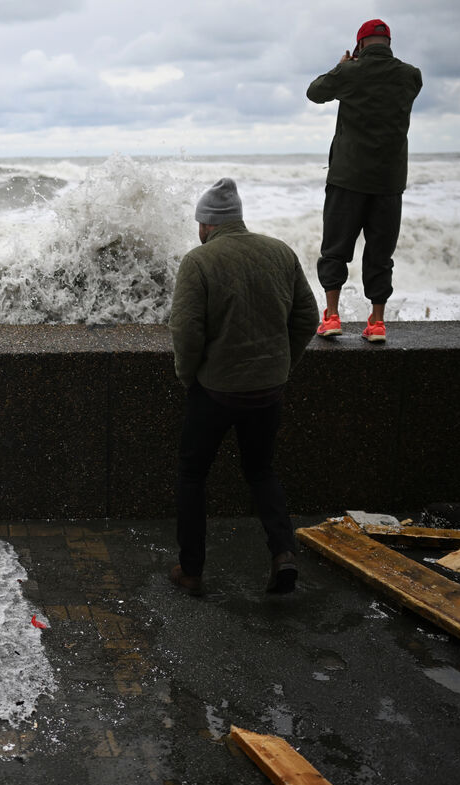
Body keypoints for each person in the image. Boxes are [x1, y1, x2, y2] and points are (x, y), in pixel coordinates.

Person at [168, 178, 319, 595]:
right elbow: (308, 317)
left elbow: (186, 332)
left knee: (192, 475)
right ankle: (283, 554)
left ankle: (192, 570)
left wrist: (189, 377)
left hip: (215, 392)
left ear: (206, 224)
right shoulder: (279, 251)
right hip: (268, 390)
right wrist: (280, 364)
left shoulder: (198, 262)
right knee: (261, 470)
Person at [307, 19, 422, 343]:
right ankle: (377, 322)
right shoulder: (411, 75)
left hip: (347, 178)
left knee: (335, 249)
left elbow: (315, 93)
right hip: (389, 181)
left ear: (359, 44)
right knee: (380, 253)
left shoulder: (350, 72)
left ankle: (331, 316)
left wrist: (342, 66)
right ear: (389, 44)